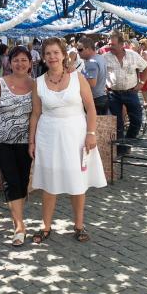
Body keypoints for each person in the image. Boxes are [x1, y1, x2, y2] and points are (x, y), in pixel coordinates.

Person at [29, 37, 106, 244]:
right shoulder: (38, 82)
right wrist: (32, 142)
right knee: (49, 182)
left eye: (56, 52)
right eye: (48, 53)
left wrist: (91, 133)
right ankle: (45, 226)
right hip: (48, 136)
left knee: (77, 181)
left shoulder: (77, 77)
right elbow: (35, 114)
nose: (52, 57)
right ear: (43, 57)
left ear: (63, 54)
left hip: (76, 135)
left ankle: (79, 225)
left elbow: (91, 108)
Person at [0, 46, 33, 247]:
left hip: (26, 142)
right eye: (16, 60)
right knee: (11, 181)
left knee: (22, 181)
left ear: (30, 63)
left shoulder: (36, 85)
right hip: (3, 141)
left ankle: (17, 215)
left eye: (24, 60)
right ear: (9, 63)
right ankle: (19, 226)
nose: (20, 63)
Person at [104, 31, 147, 155]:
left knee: (137, 120)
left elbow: (145, 67)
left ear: (121, 44)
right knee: (117, 123)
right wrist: (103, 85)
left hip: (131, 92)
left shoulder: (133, 55)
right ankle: (120, 149)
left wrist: (141, 83)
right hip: (113, 94)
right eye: (109, 44)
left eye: (113, 44)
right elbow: (100, 72)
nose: (110, 46)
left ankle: (128, 142)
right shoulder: (105, 57)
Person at [78, 37, 108, 115]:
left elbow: (92, 83)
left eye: (80, 50)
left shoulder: (91, 62)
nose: (78, 52)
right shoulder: (100, 57)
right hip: (101, 97)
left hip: (95, 99)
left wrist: (77, 79)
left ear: (88, 49)